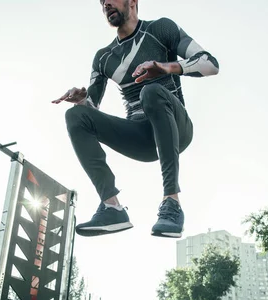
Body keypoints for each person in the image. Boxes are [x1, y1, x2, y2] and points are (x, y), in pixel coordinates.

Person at [52, 0, 219, 238]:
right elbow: (92, 107)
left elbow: (210, 64)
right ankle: (112, 207)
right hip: (141, 139)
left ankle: (172, 202)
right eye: (101, 2)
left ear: (132, 2)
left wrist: (166, 67)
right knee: (75, 116)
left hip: (177, 128)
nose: (106, 3)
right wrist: (81, 101)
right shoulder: (103, 57)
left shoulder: (161, 29)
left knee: (150, 91)